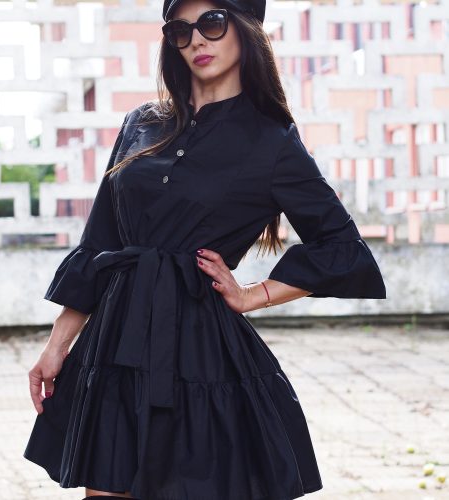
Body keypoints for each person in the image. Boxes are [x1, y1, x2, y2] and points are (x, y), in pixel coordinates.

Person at [23, 0, 386, 498]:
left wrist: (255, 294)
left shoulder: (272, 141)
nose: (196, 39)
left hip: (198, 351)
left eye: (212, 23)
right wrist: (56, 346)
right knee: (104, 488)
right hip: (114, 340)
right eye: (180, 30)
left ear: (245, 29)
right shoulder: (140, 123)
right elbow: (101, 243)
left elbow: (343, 248)